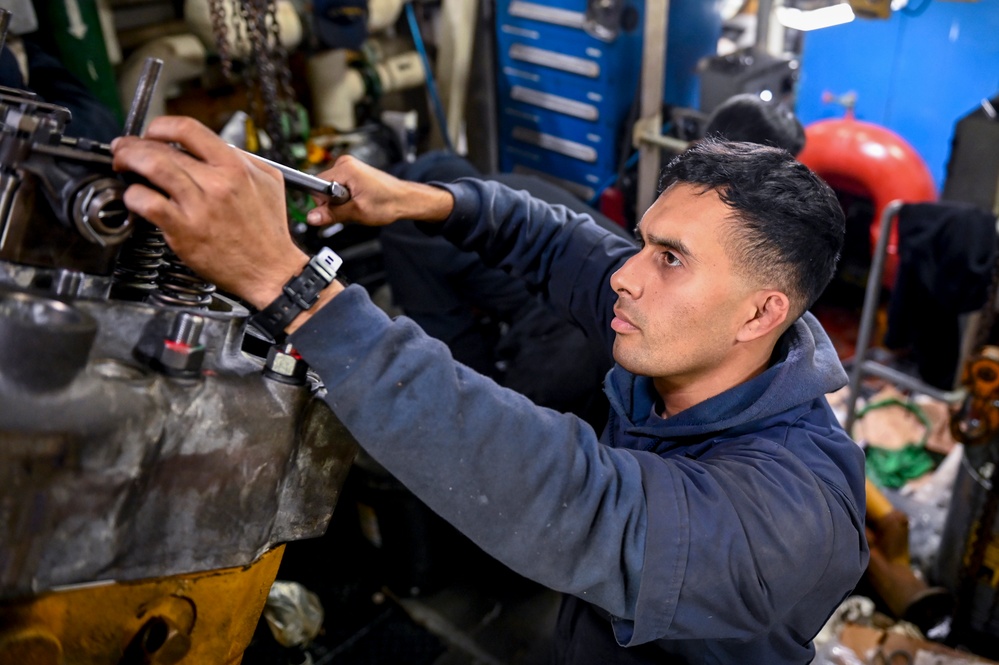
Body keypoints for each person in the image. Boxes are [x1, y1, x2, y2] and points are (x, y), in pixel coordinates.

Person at [111, 118, 868, 664]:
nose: (627, 274)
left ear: (761, 311)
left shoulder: (790, 516)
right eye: (644, 241)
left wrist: (291, 286)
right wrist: (413, 200)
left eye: (669, 258)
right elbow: (554, 239)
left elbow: (570, 492)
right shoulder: (697, 335)